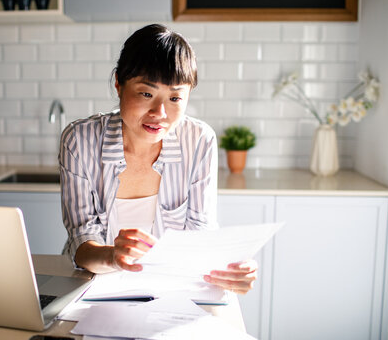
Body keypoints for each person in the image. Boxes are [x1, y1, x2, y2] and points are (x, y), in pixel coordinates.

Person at [59, 24, 257, 294]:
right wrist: (112, 257)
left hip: (170, 290)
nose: (160, 112)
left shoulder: (199, 141)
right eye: (146, 94)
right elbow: (81, 241)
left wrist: (227, 270)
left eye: (175, 97)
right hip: (94, 287)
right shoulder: (80, 141)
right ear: (119, 83)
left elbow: (200, 235)